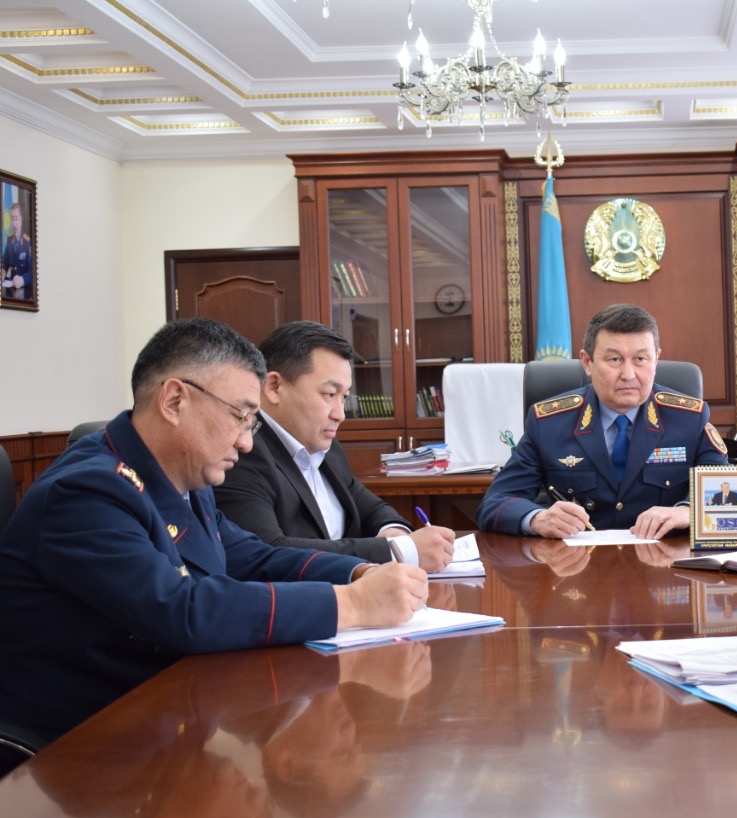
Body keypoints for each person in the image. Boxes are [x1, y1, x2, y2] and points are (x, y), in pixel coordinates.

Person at [0, 318, 429, 741]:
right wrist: (351, 604)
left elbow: (252, 556)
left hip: (166, 710)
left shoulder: (186, 475)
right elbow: (180, 609)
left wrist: (353, 573)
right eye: (239, 417)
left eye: (252, 423)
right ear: (174, 401)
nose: (246, 442)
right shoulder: (86, 492)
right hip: (81, 744)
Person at [214, 320, 455, 570]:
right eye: (330, 394)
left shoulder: (324, 447)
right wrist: (398, 551)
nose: (340, 414)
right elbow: (265, 552)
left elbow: (372, 508)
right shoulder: (243, 451)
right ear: (274, 387)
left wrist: (393, 531)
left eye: (345, 397)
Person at [477, 303, 728, 539]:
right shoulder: (549, 422)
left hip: (665, 569)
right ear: (587, 362)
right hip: (577, 570)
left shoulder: (689, 418)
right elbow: (496, 502)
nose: (628, 375)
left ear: (656, 360)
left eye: (640, 359)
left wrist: (687, 512)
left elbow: (729, 498)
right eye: (614, 360)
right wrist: (537, 519)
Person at [2, 201, 32, 296]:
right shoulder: (9, 239)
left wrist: (22, 280)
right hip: (11, 290)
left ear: (21, 219)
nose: (14, 224)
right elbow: (5, 261)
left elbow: (33, 271)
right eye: (12, 219)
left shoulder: (28, 242)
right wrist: (2, 270)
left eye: (16, 219)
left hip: (25, 292)